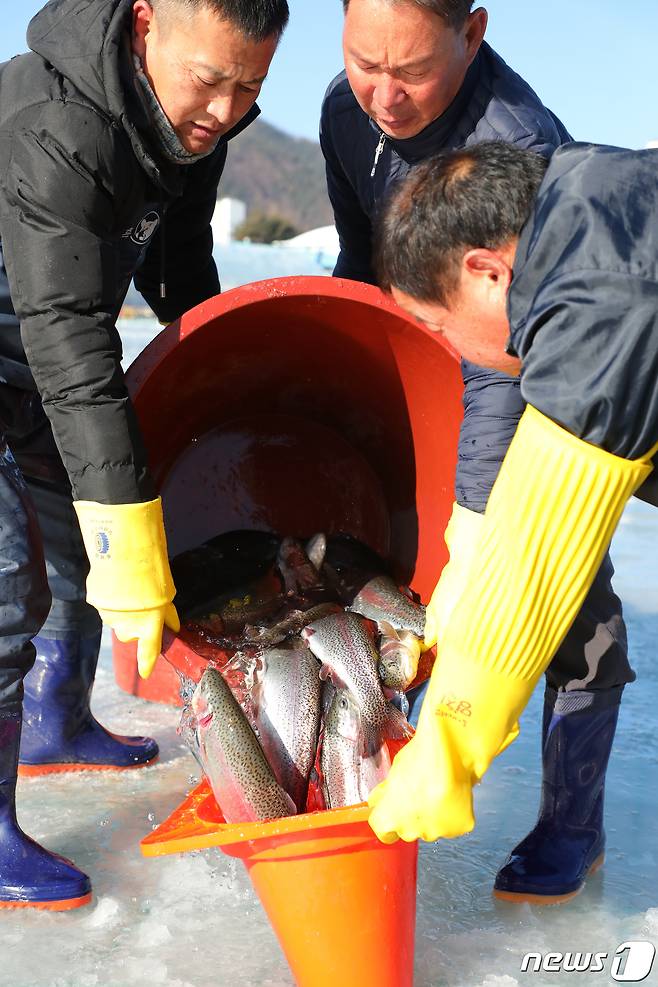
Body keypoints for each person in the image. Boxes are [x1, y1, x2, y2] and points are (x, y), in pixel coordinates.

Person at [320, 0, 633, 904]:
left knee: (562, 588)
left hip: (537, 376)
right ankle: (388, 744)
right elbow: (357, 256)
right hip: (433, 350)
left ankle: (573, 822)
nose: (383, 93)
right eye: (362, 60)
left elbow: (517, 353)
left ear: (475, 33)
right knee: (407, 564)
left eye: (411, 70)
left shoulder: (520, 148)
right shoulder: (350, 108)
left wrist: (476, 517)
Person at [0, 0, 288, 909]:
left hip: (37, 356)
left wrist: (229, 381)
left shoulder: (193, 127)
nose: (226, 110)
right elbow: (73, 337)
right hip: (42, 341)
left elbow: (179, 262)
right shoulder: (58, 125)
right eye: (210, 80)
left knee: (83, 547)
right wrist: (132, 545)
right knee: (10, 580)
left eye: (250, 88)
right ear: (144, 22)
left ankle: (56, 723)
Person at [369, 139, 658, 878]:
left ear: (486, 270)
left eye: (439, 327)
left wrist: (450, 745)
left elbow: (541, 551)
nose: (453, 349)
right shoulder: (598, 206)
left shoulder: (601, 292)